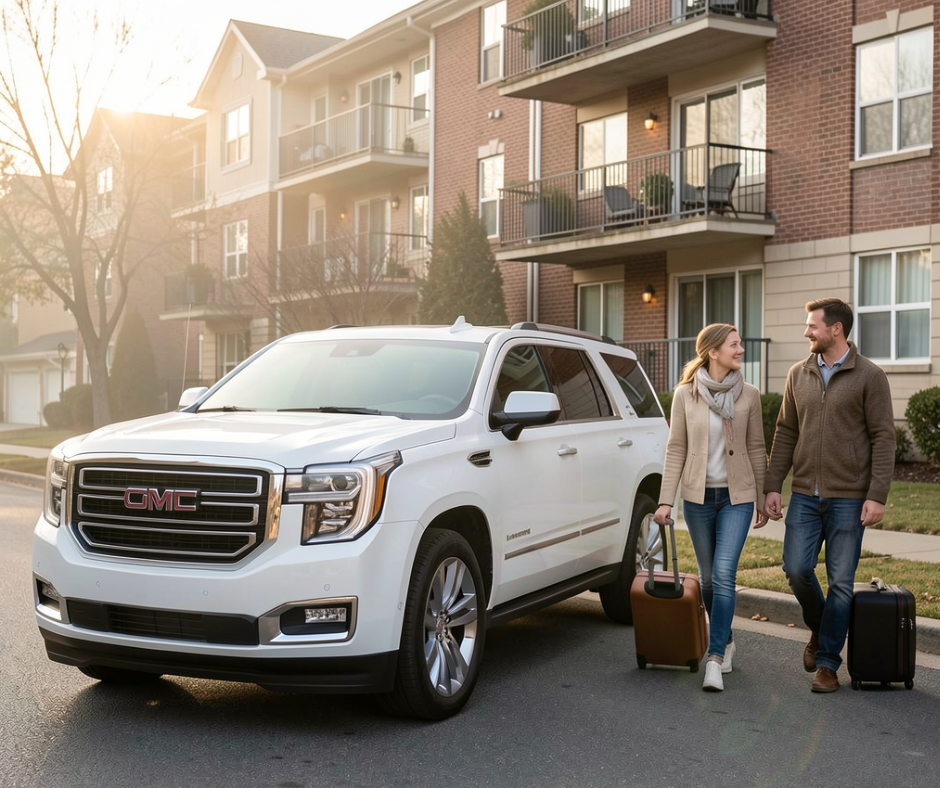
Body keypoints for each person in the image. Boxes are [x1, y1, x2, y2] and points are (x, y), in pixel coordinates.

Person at [763, 297, 895, 693]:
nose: (806, 332)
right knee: (796, 569)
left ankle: (827, 665)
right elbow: (786, 431)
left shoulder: (870, 375)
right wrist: (773, 484)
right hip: (805, 494)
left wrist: (877, 495)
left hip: (849, 498)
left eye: (812, 326)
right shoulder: (798, 373)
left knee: (840, 582)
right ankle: (821, 628)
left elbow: (883, 438)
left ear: (835, 329)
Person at [654, 323, 767, 692]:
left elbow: (756, 448)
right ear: (713, 352)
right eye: (734, 345)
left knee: (723, 574)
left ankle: (714, 658)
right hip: (698, 498)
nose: (741, 350)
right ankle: (727, 638)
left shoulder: (749, 394)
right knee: (706, 580)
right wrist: (666, 500)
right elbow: (676, 448)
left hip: (737, 498)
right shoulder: (685, 395)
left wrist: (763, 495)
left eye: (740, 344)